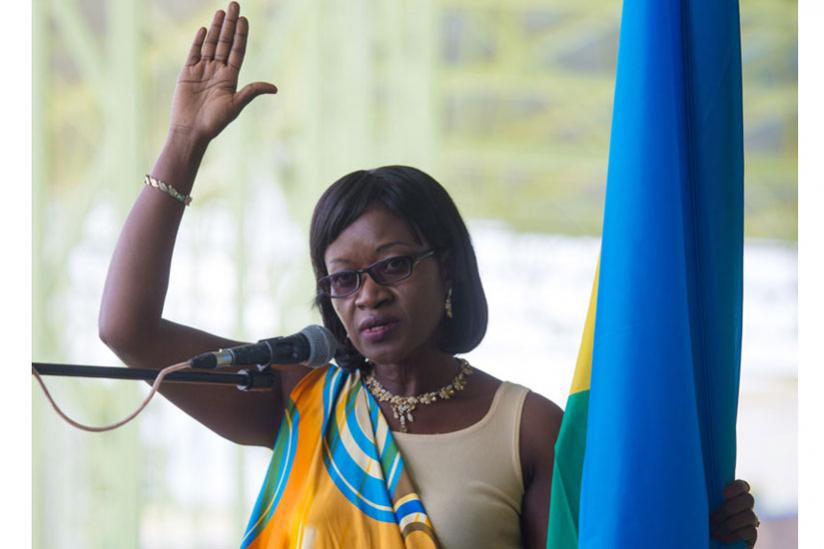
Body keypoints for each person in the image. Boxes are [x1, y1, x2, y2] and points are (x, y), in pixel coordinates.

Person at [98, 3, 760, 547]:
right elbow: (128, 329)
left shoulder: (528, 428)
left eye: (392, 265)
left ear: (447, 268)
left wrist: (696, 537)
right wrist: (184, 143)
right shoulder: (302, 401)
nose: (369, 295)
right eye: (344, 280)